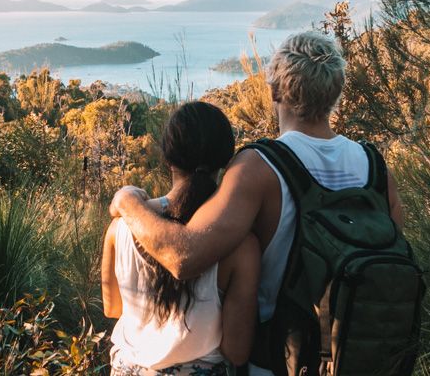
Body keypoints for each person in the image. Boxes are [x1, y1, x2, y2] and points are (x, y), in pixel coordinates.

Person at [110, 31, 404, 375]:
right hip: (357, 355)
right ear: (335, 93)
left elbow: (183, 257)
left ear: (276, 91)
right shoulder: (374, 166)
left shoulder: (261, 166)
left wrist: (128, 202)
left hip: (280, 361)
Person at [101, 101, 260, 375]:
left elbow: (113, 307)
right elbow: (237, 350)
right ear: (226, 160)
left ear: (167, 158)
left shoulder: (120, 228)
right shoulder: (241, 247)